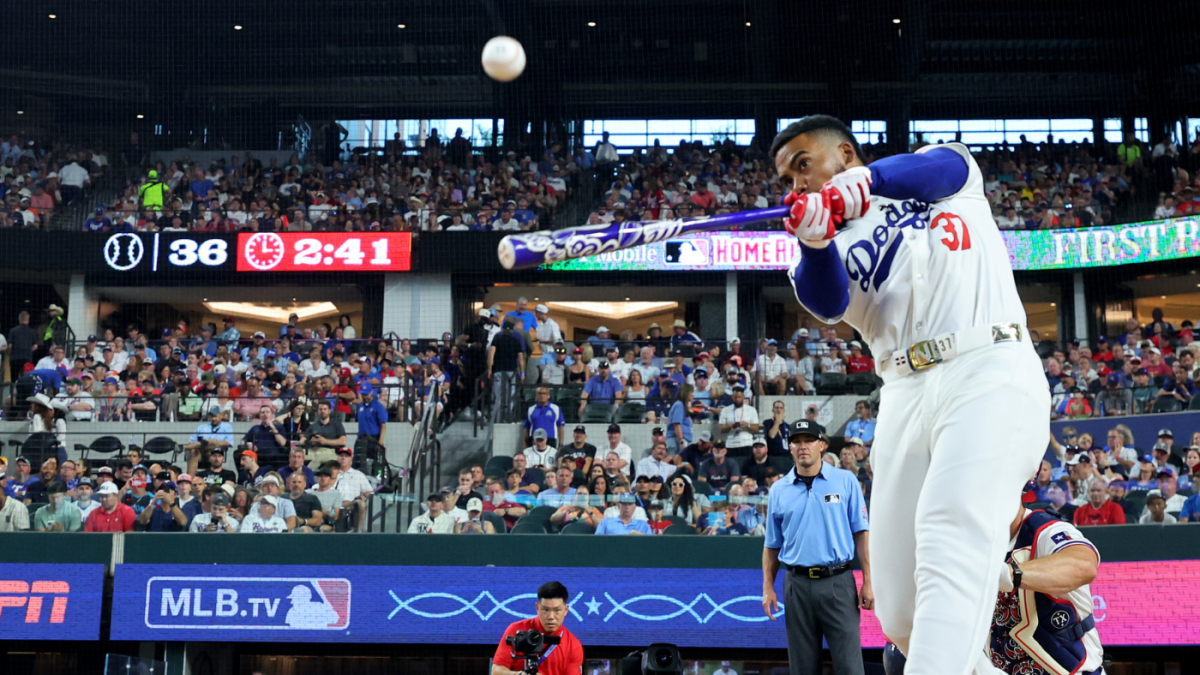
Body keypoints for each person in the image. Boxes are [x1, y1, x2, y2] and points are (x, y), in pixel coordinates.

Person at [774, 115, 1047, 675]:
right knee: (900, 611)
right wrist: (818, 242)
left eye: (803, 166)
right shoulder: (812, 257)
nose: (796, 185)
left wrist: (870, 180)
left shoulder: (946, 173)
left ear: (844, 153)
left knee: (952, 531)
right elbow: (826, 301)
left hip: (986, 363)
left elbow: (940, 168)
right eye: (786, 179)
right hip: (903, 389)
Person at [762, 420, 871, 675]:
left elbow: (862, 534)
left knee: (850, 668)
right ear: (789, 447)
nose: (803, 446)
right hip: (796, 585)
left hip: (838, 581)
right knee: (802, 669)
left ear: (822, 445)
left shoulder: (846, 481)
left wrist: (868, 580)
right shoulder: (778, 490)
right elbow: (771, 545)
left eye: (809, 440)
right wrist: (768, 587)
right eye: (796, 441)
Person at [492, 581, 584, 675]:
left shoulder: (573, 645)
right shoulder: (516, 630)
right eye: (546, 610)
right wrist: (519, 674)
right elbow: (496, 671)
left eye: (557, 610)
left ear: (566, 610)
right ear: (537, 607)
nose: (551, 616)